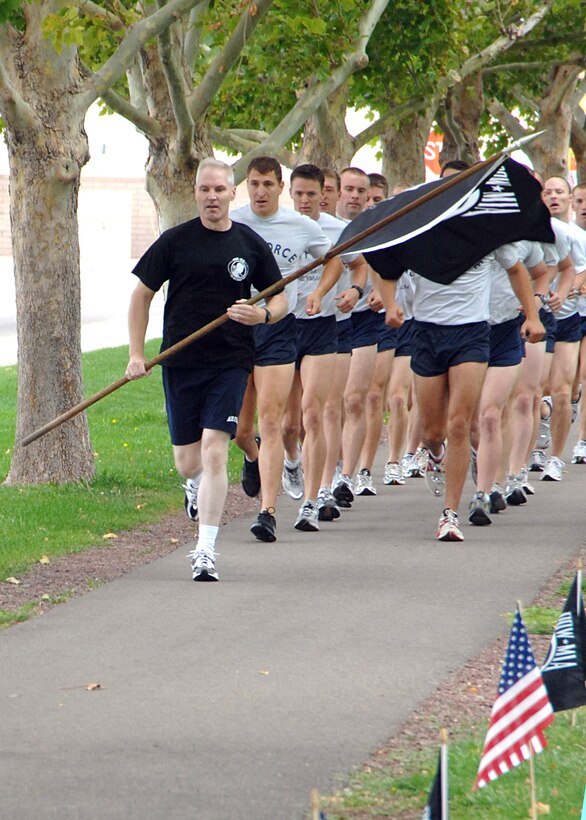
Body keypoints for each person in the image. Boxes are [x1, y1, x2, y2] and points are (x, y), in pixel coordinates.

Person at [126, 158, 287, 581]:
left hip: (230, 361)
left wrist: (262, 316)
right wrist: (135, 354)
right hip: (180, 361)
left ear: (232, 193)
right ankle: (193, 485)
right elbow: (141, 295)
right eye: (204, 190)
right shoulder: (174, 241)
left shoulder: (249, 244)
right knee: (187, 461)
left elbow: (281, 299)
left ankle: (205, 551)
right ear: (195, 193)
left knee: (216, 449)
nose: (212, 197)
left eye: (219, 189)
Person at [379, 247, 543, 542]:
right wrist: (390, 304)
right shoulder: (423, 230)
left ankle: (449, 513)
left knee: (460, 424)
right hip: (427, 333)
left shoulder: (484, 230)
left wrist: (532, 314)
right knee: (431, 433)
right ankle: (435, 455)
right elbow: (386, 268)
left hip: (472, 333)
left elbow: (517, 269)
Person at [231, 156, 333, 542]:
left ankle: (267, 512)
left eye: (267, 185)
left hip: (277, 328)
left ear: (280, 188)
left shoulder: (301, 227)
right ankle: (252, 456)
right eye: (254, 184)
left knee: (272, 422)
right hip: (237, 332)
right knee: (241, 431)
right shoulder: (234, 222)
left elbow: (333, 260)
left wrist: (321, 292)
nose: (260, 192)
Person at [282, 164, 366, 529]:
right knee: (288, 424)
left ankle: (316, 498)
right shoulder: (280, 227)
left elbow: (359, 267)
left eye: (311, 194)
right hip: (283, 329)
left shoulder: (337, 231)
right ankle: (291, 461)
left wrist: (354, 290)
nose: (304, 200)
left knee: (318, 412)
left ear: (324, 195)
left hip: (325, 328)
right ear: (290, 193)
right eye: (298, 193)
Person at [538, 177, 586, 481]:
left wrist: (571, 289)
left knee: (562, 389)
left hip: (569, 318)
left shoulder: (574, 236)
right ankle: (534, 449)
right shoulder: (533, 232)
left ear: (569, 198)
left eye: (559, 192)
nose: (553, 197)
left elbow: (580, 270)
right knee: (535, 390)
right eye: (548, 192)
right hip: (538, 317)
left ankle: (555, 457)